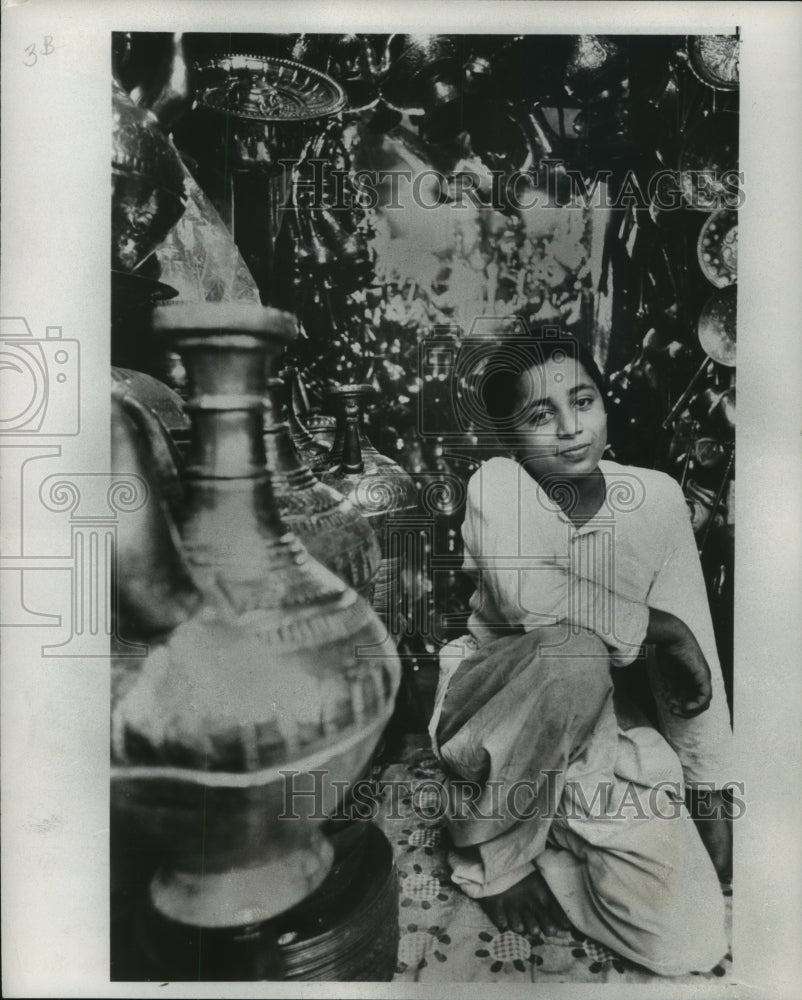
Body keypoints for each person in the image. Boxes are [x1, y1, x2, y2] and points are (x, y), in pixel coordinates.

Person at [428, 333, 733, 976]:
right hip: (496, 717)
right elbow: (532, 602)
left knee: (689, 943)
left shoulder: (652, 497)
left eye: (583, 401)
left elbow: (691, 659)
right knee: (571, 652)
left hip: (599, 734)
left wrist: (707, 795)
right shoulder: (499, 483)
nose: (570, 429)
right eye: (541, 416)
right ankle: (493, 849)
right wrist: (664, 630)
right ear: (510, 436)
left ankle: (552, 831)